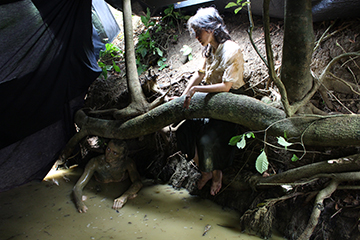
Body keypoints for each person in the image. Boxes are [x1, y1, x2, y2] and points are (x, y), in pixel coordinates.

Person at [176, 7, 246, 196]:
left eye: (199, 31)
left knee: (206, 140)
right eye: (195, 32)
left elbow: (226, 87)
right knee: (183, 130)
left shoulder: (231, 50)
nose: (197, 36)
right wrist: (186, 93)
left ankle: (217, 175)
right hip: (210, 101)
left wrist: (197, 90)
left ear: (211, 29)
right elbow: (199, 74)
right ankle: (205, 171)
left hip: (230, 104)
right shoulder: (208, 50)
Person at [72, 139, 143, 213]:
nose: (109, 154)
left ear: (121, 156)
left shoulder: (127, 164)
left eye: (115, 153)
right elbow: (78, 187)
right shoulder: (95, 163)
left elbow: (138, 183)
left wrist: (125, 196)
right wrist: (79, 203)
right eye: (108, 149)